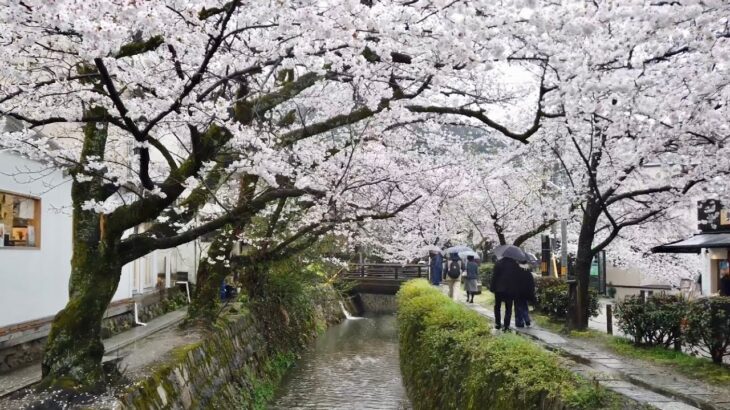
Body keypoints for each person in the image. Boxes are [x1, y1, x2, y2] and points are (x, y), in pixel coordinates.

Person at [490, 256, 520, 331]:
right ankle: (506, 326)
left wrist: (492, 287)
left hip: (498, 289)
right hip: (510, 289)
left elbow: (494, 277)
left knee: (497, 306)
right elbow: (517, 278)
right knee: (508, 308)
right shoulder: (515, 264)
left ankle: (498, 324)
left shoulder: (498, 263)